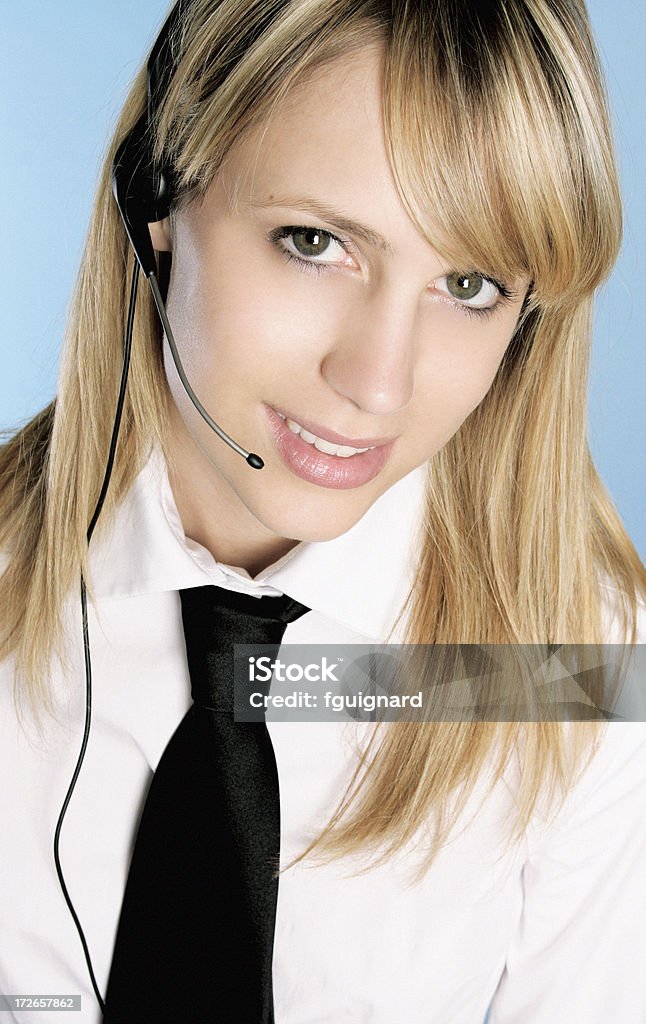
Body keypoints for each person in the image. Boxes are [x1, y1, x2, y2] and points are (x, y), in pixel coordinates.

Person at [1, 0, 645, 1021]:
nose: (378, 383)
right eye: (314, 241)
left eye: (468, 283)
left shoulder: (577, 673)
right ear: (155, 194)